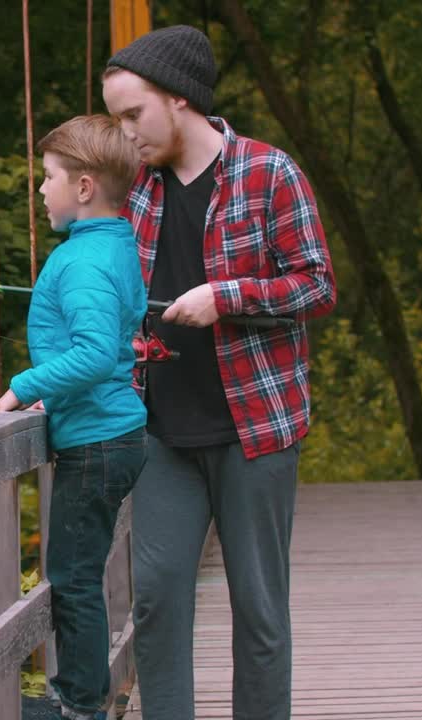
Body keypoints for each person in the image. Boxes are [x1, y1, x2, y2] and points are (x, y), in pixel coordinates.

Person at [100, 24, 337, 720]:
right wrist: (51, 380)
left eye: (132, 115)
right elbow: (107, 303)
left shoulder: (269, 173)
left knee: (259, 612)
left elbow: (318, 285)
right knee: (158, 596)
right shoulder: (134, 191)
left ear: (177, 101)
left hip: (255, 432)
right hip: (162, 434)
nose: (125, 133)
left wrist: (227, 297)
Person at [0, 114, 147, 720]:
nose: (40, 188)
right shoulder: (113, 246)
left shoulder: (81, 262)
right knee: (78, 570)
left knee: (74, 577)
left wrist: (22, 387)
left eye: (48, 176)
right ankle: (79, 697)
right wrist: (51, 397)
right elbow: (105, 351)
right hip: (112, 433)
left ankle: (79, 705)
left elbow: (91, 352)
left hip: (98, 442)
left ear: (83, 187)